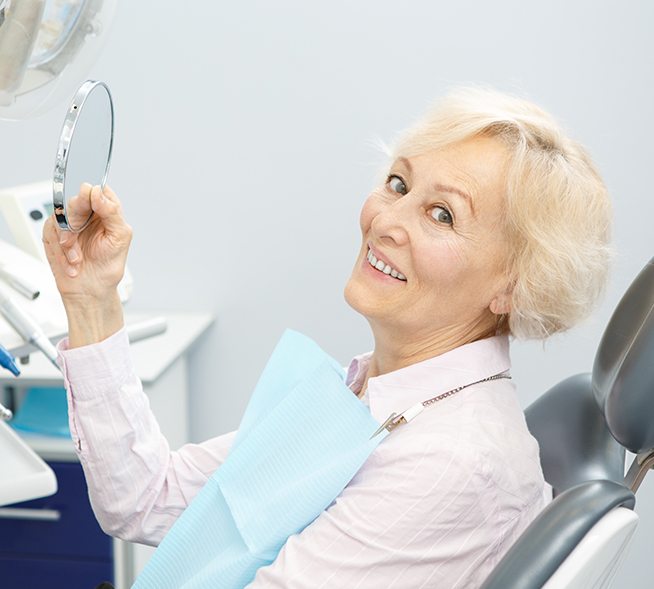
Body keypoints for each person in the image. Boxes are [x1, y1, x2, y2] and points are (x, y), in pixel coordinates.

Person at [42, 86, 611, 588]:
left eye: (442, 215)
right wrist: (92, 299)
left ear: (514, 286)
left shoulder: (450, 462)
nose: (384, 222)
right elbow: (146, 499)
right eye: (398, 183)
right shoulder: (375, 392)